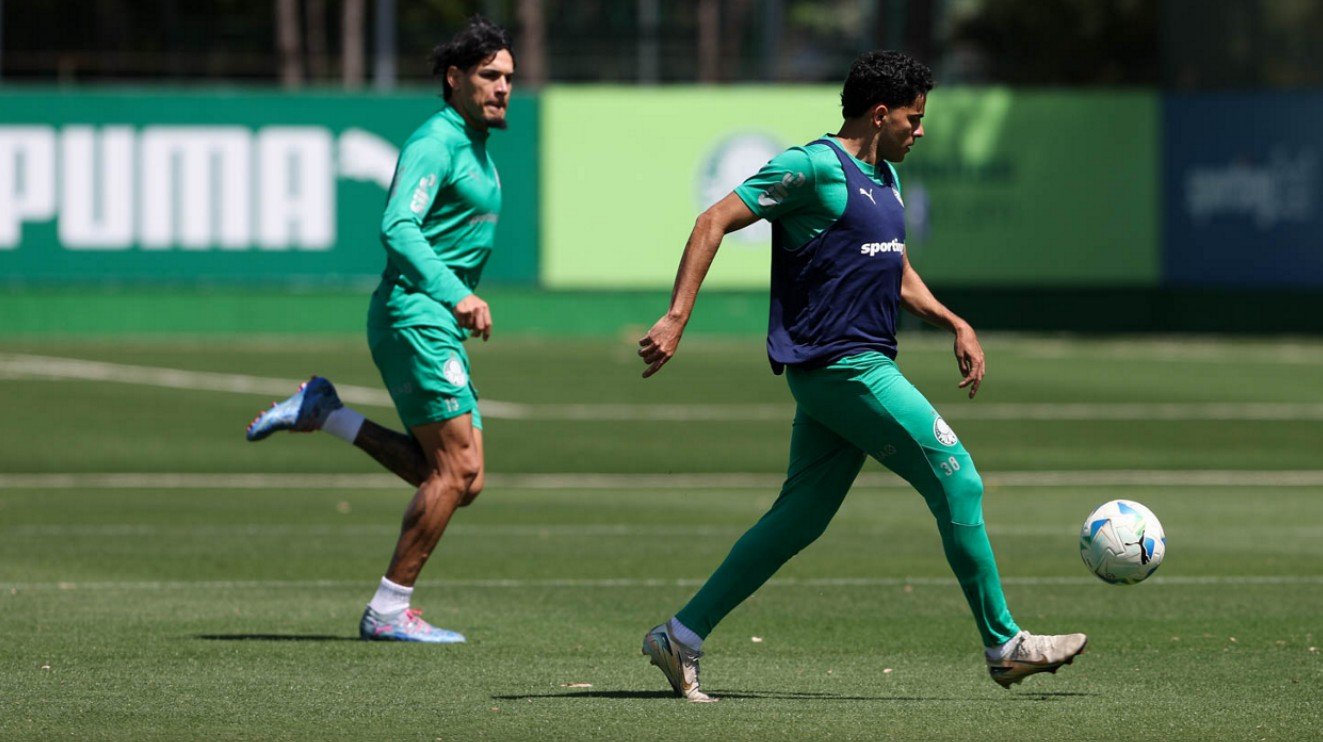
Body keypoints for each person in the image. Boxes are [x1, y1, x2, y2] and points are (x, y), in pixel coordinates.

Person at [637, 50, 1085, 702]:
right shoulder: (812, 167)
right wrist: (677, 316)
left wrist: (952, 321)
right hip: (843, 368)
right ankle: (1003, 643)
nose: (920, 130)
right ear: (879, 114)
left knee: (799, 518)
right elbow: (713, 221)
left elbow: (895, 271)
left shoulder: (884, 178)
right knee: (958, 480)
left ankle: (680, 636)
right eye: (913, 117)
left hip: (848, 371)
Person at [245, 16, 515, 644]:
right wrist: (458, 295)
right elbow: (398, 227)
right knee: (458, 467)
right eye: (489, 75)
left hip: (432, 320)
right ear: (454, 79)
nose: (503, 88)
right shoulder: (436, 142)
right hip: (415, 312)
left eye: (508, 77)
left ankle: (328, 412)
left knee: (463, 480)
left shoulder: (473, 145)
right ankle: (389, 610)